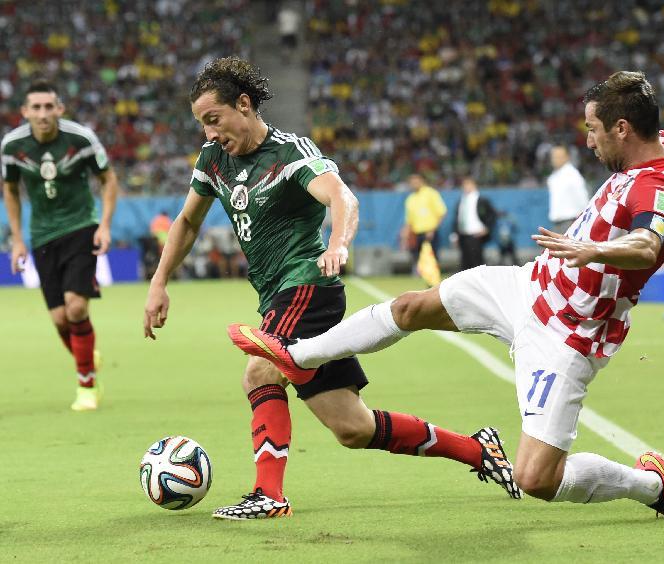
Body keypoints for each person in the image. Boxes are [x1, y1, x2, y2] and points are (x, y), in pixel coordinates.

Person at [229, 71, 664, 516]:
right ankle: (302, 354)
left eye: (592, 131)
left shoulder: (655, 187)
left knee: (535, 481)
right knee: (412, 307)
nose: (586, 139)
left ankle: (651, 487)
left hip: (569, 335)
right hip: (530, 287)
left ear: (622, 131)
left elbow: (645, 243)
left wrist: (594, 248)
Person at [143, 57, 519, 521]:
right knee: (352, 426)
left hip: (306, 287)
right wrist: (159, 283)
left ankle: (269, 495)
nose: (208, 134)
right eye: (202, 124)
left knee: (260, 371)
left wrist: (338, 243)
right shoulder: (213, 160)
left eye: (213, 120)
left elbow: (342, 197)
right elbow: (186, 221)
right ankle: (477, 450)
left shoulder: (290, 153)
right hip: (277, 296)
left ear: (243, 104)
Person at [2, 79, 119, 411]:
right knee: (59, 320)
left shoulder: (81, 138)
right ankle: (86, 354)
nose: (42, 114)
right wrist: (17, 240)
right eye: (35, 108)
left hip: (81, 227)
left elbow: (108, 178)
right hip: (42, 236)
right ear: (25, 111)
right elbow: (10, 190)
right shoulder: (12, 146)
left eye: (48, 106)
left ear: (59, 108)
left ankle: (87, 386)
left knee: (76, 309)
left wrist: (105, 226)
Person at [452, 176, 497, 271]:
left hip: (476, 234)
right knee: (465, 262)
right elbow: (457, 218)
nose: (465, 187)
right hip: (463, 234)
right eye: (464, 185)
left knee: (476, 261)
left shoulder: (481, 200)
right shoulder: (461, 200)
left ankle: (479, 282)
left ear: (474, 185)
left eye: (468, 184)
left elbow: (492, 215)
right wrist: (455, 234)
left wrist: (487, 228)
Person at [403, 173, 446, 264]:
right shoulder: (410, 198)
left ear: (422, 181)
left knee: (431, 258)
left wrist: (432, 230)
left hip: (429, 233)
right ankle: (418, 275)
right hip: (416, 233)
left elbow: (441, 213)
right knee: (417, 258)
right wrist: (406, 234)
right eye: (412, 182)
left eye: (416, 181)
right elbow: (409, 220)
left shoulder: (431, 193)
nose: (414, 184)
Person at [547, 145, 589, 233]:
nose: (555, 159)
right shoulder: (553, 177)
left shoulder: (573, 175)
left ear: (567, 157)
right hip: (557, 223)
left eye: (559, 156)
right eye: (554, 157)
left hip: (570, 222)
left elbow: (583, 200)